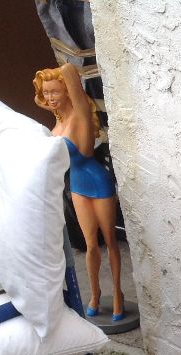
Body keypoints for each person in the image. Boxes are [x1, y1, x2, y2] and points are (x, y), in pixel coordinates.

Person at [33, 63, 123, 320]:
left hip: (98, 182)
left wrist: (62, 73)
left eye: (55, 91)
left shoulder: (79, 114)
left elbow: (70, 71)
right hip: (77, 185)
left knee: (110, 241)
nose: (50, 97)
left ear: (67, 92)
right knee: (90, 245)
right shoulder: (58, 122)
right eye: (46, 92)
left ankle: (118, 293)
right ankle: (95, 294)